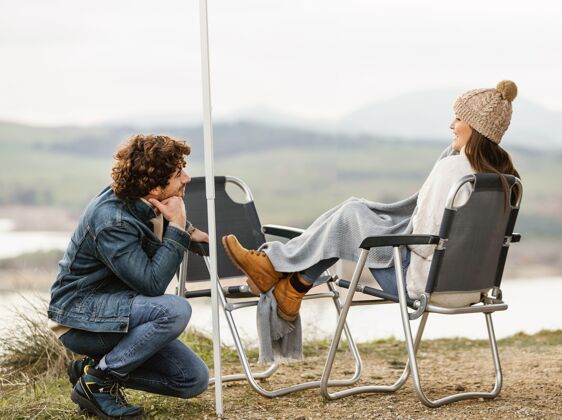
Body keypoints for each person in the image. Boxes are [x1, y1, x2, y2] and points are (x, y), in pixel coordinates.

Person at [222, 80, 521, 321]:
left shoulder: (453, 171)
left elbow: (423, 240)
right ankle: (293, 287)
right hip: (472, 287)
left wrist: (384, 227)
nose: (451, 126)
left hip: (423, 285)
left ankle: (275, 268)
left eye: (457, 118)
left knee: (351, 213)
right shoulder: (505, 180)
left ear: (474, 126)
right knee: (356, 212)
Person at [47, 134, 210, 420]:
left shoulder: (145, 200)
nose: (187, 178)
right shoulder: (112, 220)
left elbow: (152, 227)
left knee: (192, 379)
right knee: (175, 310)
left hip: (119, 312)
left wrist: (191, 233)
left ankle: (88, 371)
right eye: (177, 173)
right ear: (153, 186)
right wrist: (179, 228)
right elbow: (152, 284)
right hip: (82, 318)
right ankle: (100, 381)